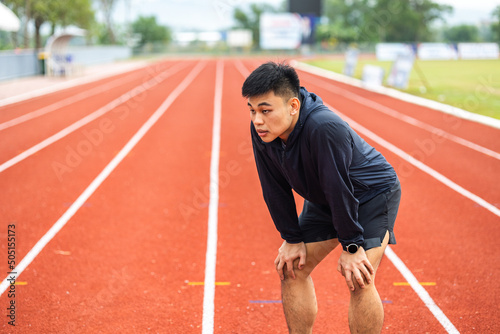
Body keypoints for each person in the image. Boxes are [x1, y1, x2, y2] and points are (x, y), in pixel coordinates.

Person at [242, 61, 401, 334]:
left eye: (265, 111)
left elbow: (339, 187)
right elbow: (273, 186)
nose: (257, 120)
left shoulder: (324, 127)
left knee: (359, 277)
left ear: (293, 106)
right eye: (253, 110)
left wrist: (351, 246)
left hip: (371, 195)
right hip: (326, 196)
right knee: (291, 269)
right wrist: (291, 238)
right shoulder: (263, 131)